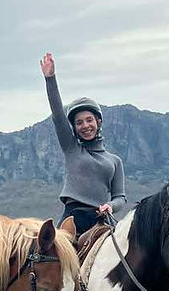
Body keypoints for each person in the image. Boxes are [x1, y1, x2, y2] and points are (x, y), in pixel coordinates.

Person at [39, 52, 127, 238]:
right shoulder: (72, 148)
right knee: (60, 263)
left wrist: (110, 206)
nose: (85, 126)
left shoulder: (115, 160)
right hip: (72, 219)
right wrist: (50, 78)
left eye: (89, 120)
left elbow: (120, 197)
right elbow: (58, 115)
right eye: (79, 123)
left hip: (101, 220)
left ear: (98, 122)